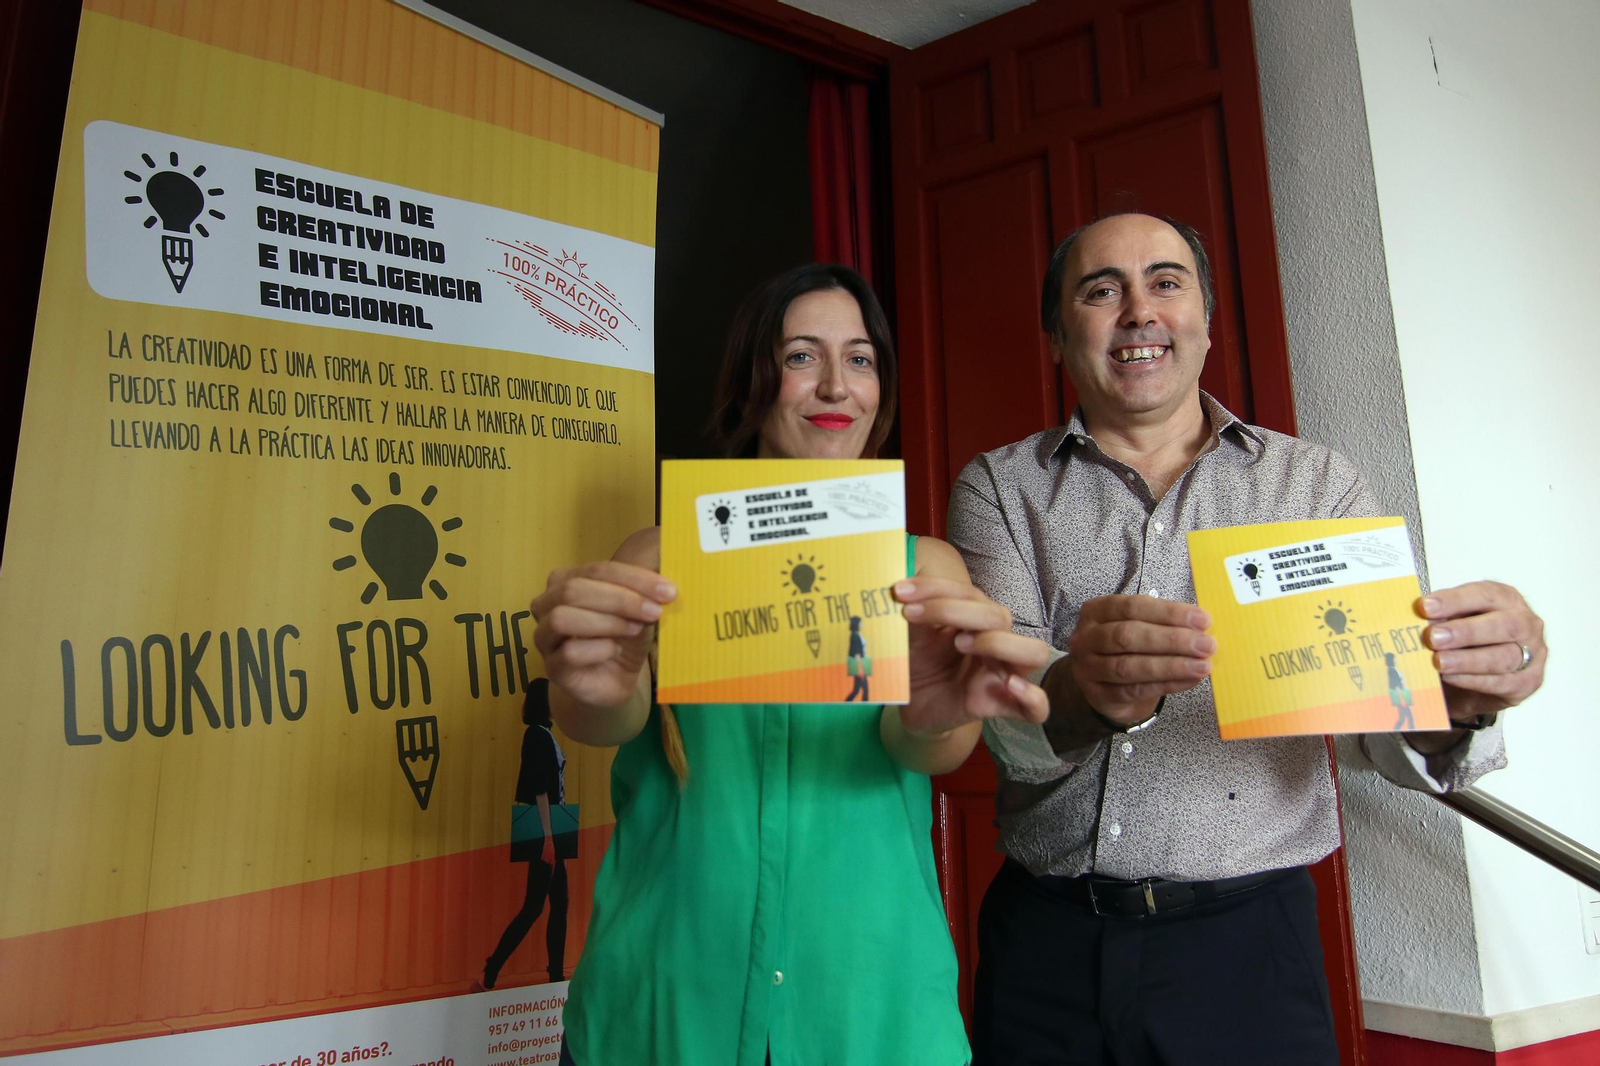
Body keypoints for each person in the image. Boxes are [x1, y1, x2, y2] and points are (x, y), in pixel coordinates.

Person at [947, 213, 1548, 1066]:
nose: (1138, 312)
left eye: (1166, 282)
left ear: (1205, 322)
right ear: (1057, 335)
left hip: (1247, 949)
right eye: (1100, 290)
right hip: (1045, 942)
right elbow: (1003, 726)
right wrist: (1085, 693)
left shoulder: (1317, 483)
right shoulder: (999, 487)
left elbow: (1380, 722)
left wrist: (1458, 705)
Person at [531, 264, 1054, 1066]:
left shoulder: (929, 571)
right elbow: (604, 718)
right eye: (802, 356)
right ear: (756, 379)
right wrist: (591, 687)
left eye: (862, 358)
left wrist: (937, 714)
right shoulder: (665, 556)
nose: (836, 384)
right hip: (667, 999)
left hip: (866, 1003)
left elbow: (928, 749)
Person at [478, 678, 572, 990]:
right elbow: (540, 788)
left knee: (557, 903)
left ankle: (555, 976)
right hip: (546, 827)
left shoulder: (543, 734)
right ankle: (493, 970)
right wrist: (548, 837)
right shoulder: (537, 736)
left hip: (553, 825)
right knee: (535, 906)